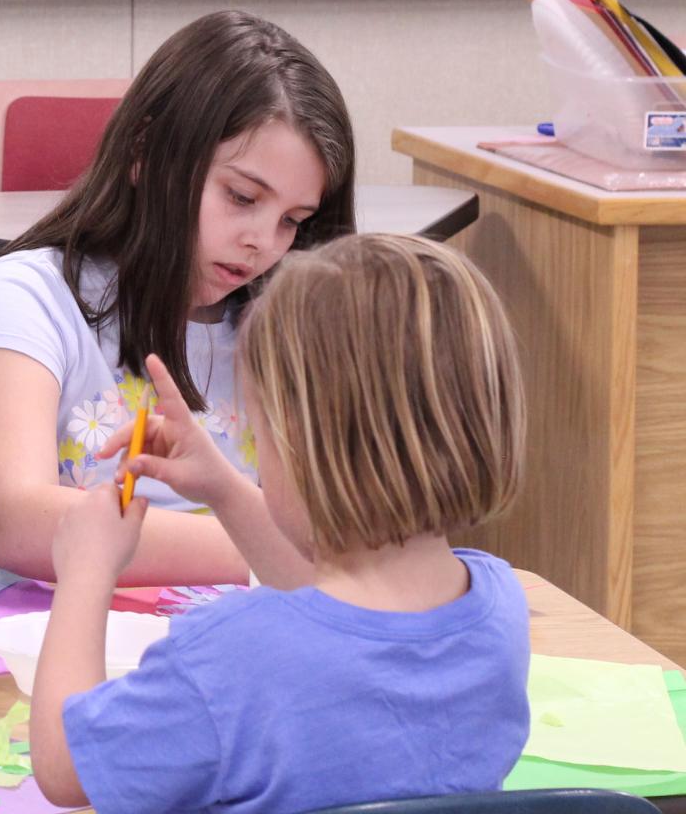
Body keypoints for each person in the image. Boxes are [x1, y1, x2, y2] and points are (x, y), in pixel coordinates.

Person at [30, 233, 530, 812]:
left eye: (261, 436)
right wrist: (221, 485)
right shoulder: (498, 608)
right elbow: (338, 619)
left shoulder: (234, 656)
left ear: (306, 450)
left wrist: (86, 572)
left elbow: (66, 770)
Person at [0, 9, 356, 585]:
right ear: (145, 152)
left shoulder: (278, 325)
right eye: (240, 196)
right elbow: (17, 522)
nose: (262, 241)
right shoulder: (28, 296)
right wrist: (281, 547)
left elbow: (344, 515)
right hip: (12, 649)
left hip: (213, 652)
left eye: (293, 221)